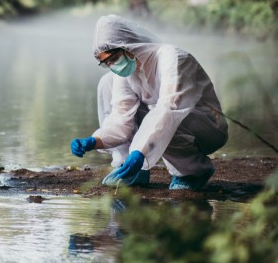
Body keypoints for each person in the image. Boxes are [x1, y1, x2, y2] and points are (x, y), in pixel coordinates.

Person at [70, 14, 228, 190]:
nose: (113, 66)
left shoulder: (174, 59)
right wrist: (95, 140)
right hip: (167, 125)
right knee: (107, 82)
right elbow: (121, 117)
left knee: (164, 117)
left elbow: (169, 110)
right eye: (106, 63)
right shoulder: (127, 73)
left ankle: (191, 171)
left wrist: (140, 151)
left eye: (113, 59)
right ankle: (131, 168)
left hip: (206, 129)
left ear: (126, 46)